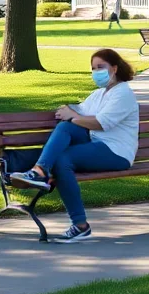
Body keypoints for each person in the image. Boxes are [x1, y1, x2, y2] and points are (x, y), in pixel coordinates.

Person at [8, 48, 140, 243]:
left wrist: (74, 117)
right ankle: (39, 171)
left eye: (101, 67)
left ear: (114, 68)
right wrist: (69, 111)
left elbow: (101, 123)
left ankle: (80, 225)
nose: (96, 72)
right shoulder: (99, 94)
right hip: (97, 146)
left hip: (117, 152)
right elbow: (77, 112)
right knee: (65, 128)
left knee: (62, 159)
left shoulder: (123, 93)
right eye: (93, 68)